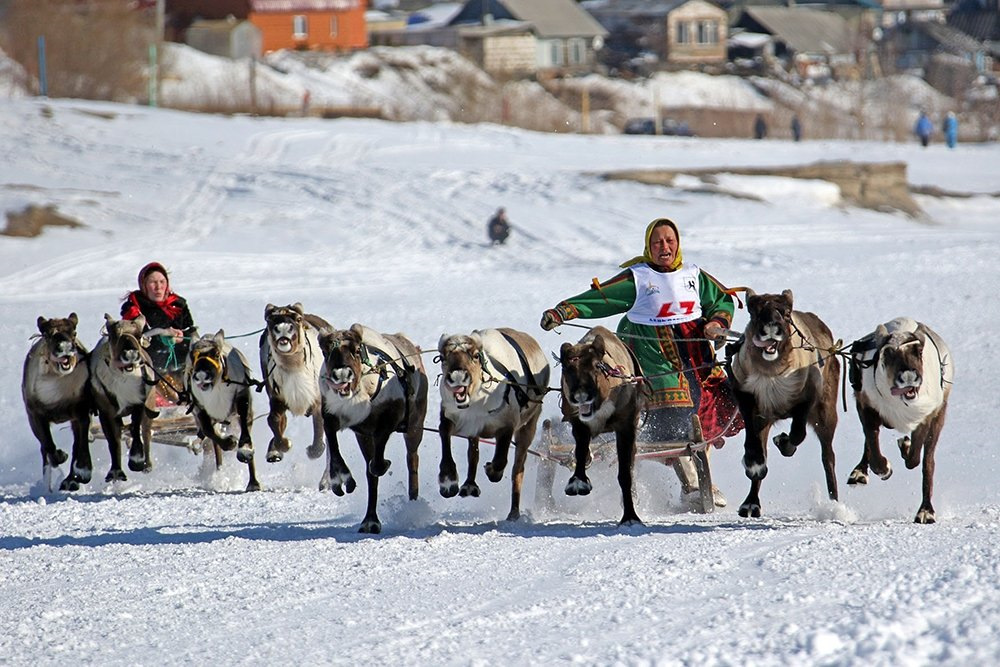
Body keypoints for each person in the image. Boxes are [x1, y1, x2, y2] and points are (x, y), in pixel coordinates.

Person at [539, 218, 743, 505]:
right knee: (679, 417)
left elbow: (721, 299)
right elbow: (600, 298)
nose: (665, 247)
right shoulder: (639, 278)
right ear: (649, 246)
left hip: (696, 358)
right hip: (651, 356)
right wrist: (563, 312)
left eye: (670, 241)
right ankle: (692, 485)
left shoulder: (693, 276)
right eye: (658, 242)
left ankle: (697, 481)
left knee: (706, 415)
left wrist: (717, 323)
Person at [121, 261, 197, 386]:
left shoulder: (178, 304)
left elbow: (191, 332)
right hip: (149, 369)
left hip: (183, 366)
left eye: (162, 282)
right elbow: (137, 339)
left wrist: (182, 336)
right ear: (144, 285)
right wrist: (162, 335)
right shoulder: (133, 308)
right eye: (153, 282)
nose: (158, 287)